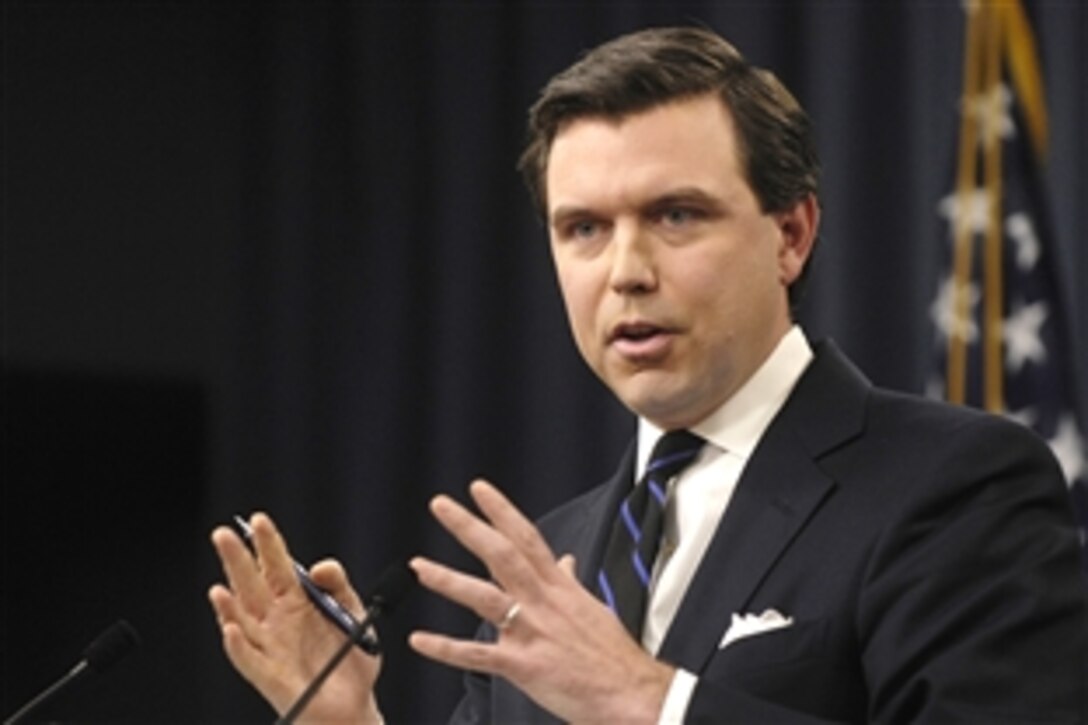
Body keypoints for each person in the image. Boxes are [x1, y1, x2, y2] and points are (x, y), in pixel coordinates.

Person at [209, 26, 1087, 723]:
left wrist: (646, 701)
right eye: (583, 228)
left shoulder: (954, 485)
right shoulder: (549, 564)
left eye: (675, 215)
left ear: (791, 235)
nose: (624, 270)